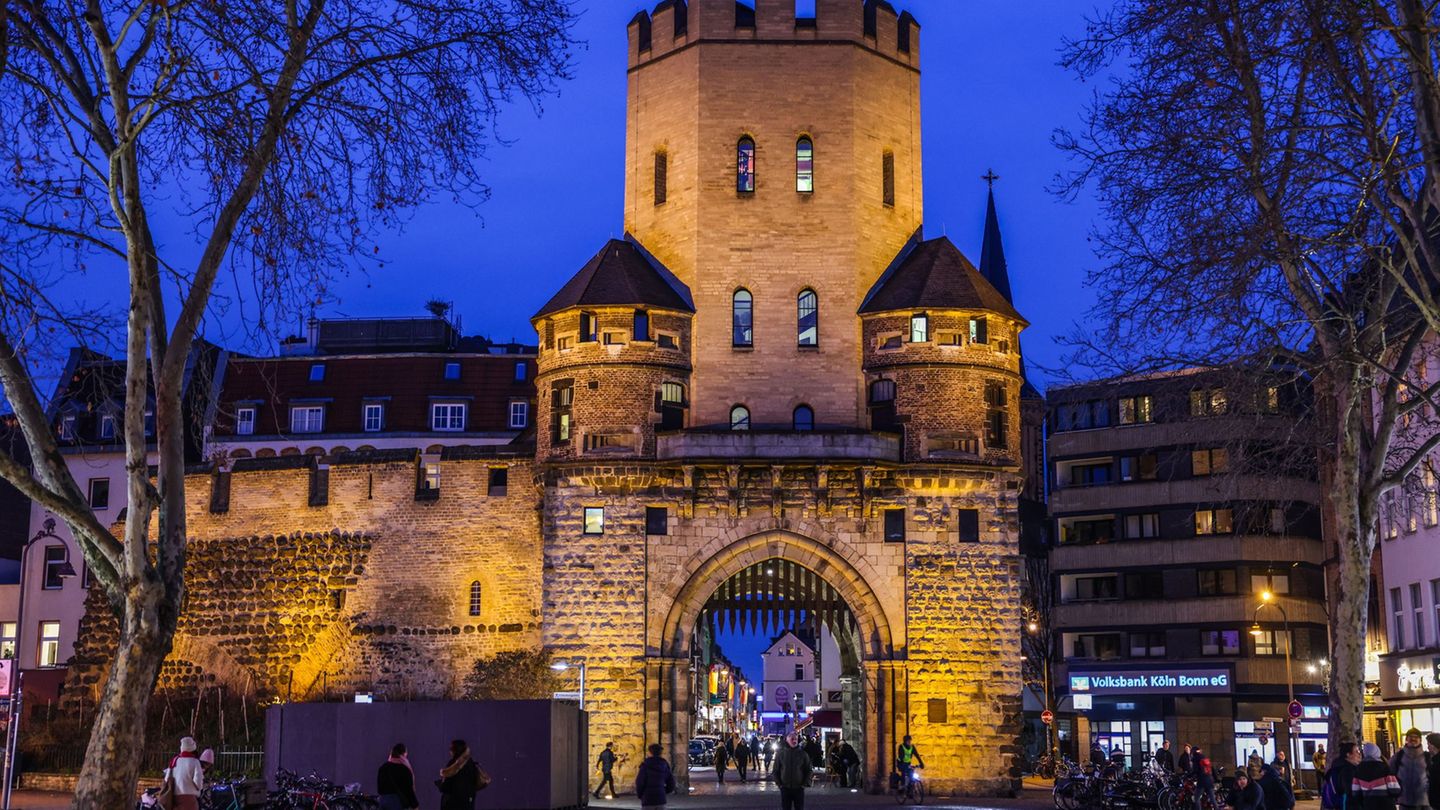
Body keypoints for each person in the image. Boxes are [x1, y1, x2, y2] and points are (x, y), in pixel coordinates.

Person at [438, 739, 485, 810]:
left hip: (453, 804)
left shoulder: (453, 764)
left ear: (455, 750)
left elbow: (446, 787)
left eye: (451, 749)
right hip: (468, 803)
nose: (449, 751)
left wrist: (441, 784)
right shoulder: (472, 764)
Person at [1352, 742, 1401, 810]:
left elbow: (1355, 792)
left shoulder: (1358, 769)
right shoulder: (1385, 768)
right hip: (1386, 805)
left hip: (1368, 806)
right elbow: (1395, 789)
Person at [773, 731, 813, 810]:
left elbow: (809, 770)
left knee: (799, 807)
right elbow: (776, 770)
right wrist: (779, 784)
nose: (794, 740)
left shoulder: (803, 754)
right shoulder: (781, 754)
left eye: (796, 739)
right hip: (785, 788)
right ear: (787, 740)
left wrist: (804, 784)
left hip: (799, 788)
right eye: (792, 739)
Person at [1388, 729, 1428, 810]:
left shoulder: (1427, 757)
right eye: (1411, 737)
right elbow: (1390, 775)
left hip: (1425, 803)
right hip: (1404, 802)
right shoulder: (1398, 757)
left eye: (1416, 737)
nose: (1413, 739)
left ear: (1420, 740)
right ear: (1406, 739)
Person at [165, 736, 205, 810]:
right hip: (190, 800)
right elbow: (198, 784)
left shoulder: (174, 760)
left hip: (174, 798)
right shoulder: (195, 762)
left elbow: (167, 779)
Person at [377, 743, 419, 810]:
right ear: (404, 754)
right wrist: (415, 805)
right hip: (397, 802)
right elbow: (409, 790)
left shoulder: (383, 768)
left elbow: (379, 789)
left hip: (383, 801)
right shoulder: (404, 769)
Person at [634, 743, 676, 810]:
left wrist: (640, 795)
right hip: (660, 798)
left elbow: (639, 782)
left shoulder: (645, 765)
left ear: (650, 752)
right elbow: (671, 782)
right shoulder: (664, 765)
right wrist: (663, 791)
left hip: (647, 799)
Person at [1324, 742, 1361, 810]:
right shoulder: (1348, 770)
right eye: (1356, 751)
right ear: (1348, 755)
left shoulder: (1338, 766)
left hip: (1340, 804)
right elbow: (1350, 791)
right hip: (1348, 805)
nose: (1359, 754)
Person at [1425, 734, 1439, 810]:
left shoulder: (1437, 763)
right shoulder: (1433, 760)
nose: (1428, 747)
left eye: (1428, 744)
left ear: (1433, 745)